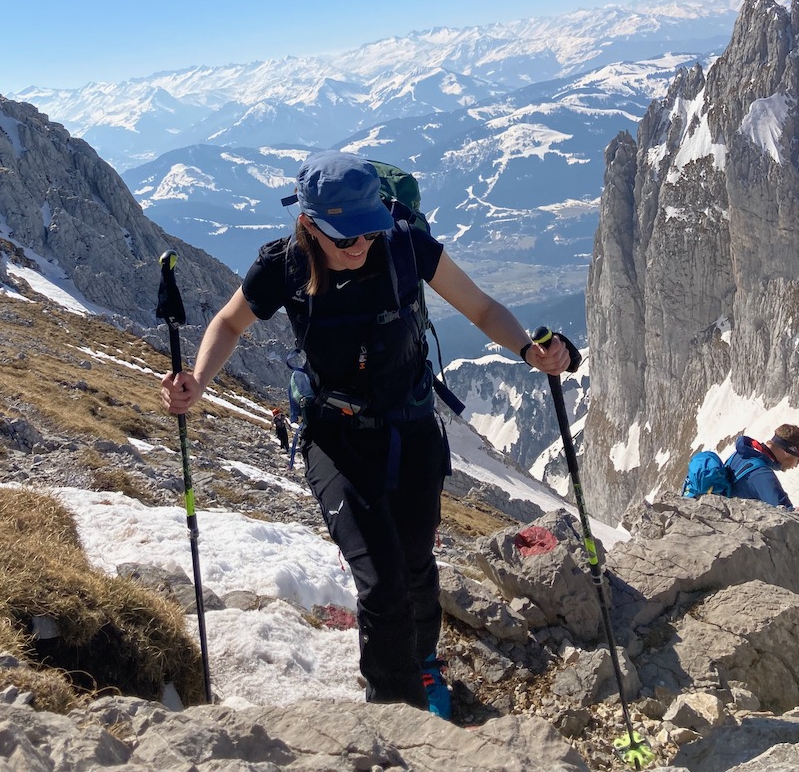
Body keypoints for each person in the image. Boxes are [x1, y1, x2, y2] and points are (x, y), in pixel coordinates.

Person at [159, 151, 572, 718]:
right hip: (336, 439)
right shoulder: (283, 265)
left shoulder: (404, 245)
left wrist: (528, 349)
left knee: (416, 564)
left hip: (411, 428)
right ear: (308, 225)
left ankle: (423, 662)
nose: (360, 246)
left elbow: (480, 308)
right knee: (380, 582)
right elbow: (229, 322)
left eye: (368, 230)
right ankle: (395, 714)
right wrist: (197, 382)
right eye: (346, 236)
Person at [725, 424, 799, 510]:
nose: (795, 465)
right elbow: (785, 513)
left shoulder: (741, 454)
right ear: (789, 452)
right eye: (798, 460)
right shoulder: (762, 474)